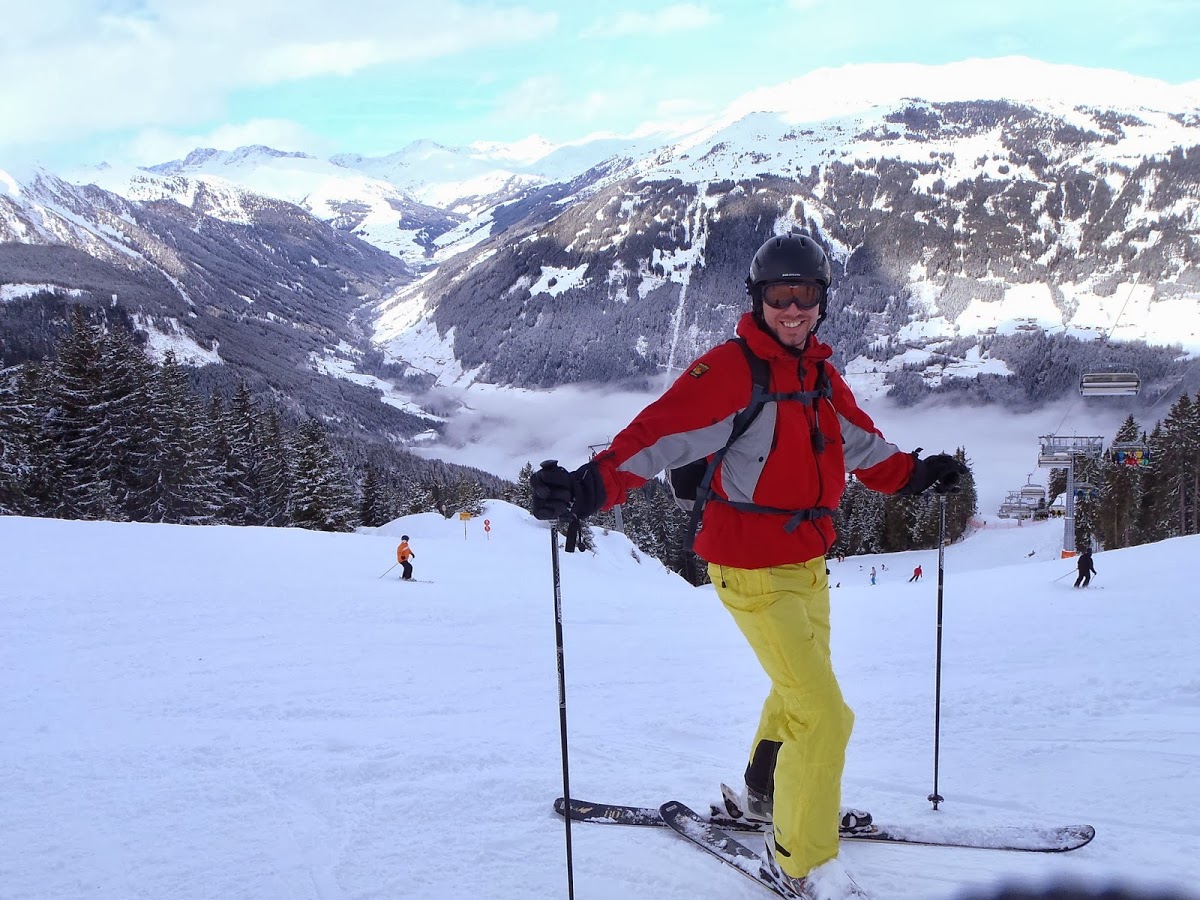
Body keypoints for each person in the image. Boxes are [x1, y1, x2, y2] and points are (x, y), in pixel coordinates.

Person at [529, 231, 967, 896]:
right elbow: (655, 438)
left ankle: (764, 794)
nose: (793, 309)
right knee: (823, 713)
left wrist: (916, 476)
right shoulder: (731, 372)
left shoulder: (819, 376)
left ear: (823, 301)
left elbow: (863, 448)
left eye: (806, 295)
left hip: (808, 564)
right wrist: (586, 489)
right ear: (757, 300)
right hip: (751, 570)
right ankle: (800, 860)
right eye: (779, 296)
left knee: (797, 691)